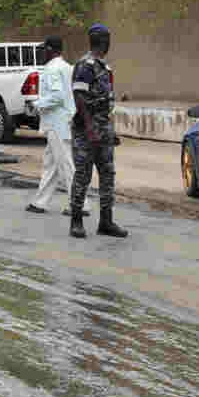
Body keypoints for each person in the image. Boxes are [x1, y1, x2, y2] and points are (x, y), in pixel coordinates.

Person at [68, 24, 128, 239]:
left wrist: (110, 131)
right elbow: (79, 98)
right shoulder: (85, 66)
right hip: (86, 131)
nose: (110, 43)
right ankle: (76, 221)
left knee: (107, 175)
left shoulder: (106, 68)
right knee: (83, 175)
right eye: (108, 39)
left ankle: (106, 221)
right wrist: (91, 127)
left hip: (103, 131)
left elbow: (107, 104)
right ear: (103, 41)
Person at [26, 35, 89, 216]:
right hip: (63, 121)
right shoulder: (67, 67)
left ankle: (79, 204)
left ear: (50, 50)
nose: (41, 53)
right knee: (51, 165)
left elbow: (57, 96)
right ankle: (40, 202)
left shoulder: (52, 69)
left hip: (56, 123)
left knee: (66, 164)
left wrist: (36, 104)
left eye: (43, 50)